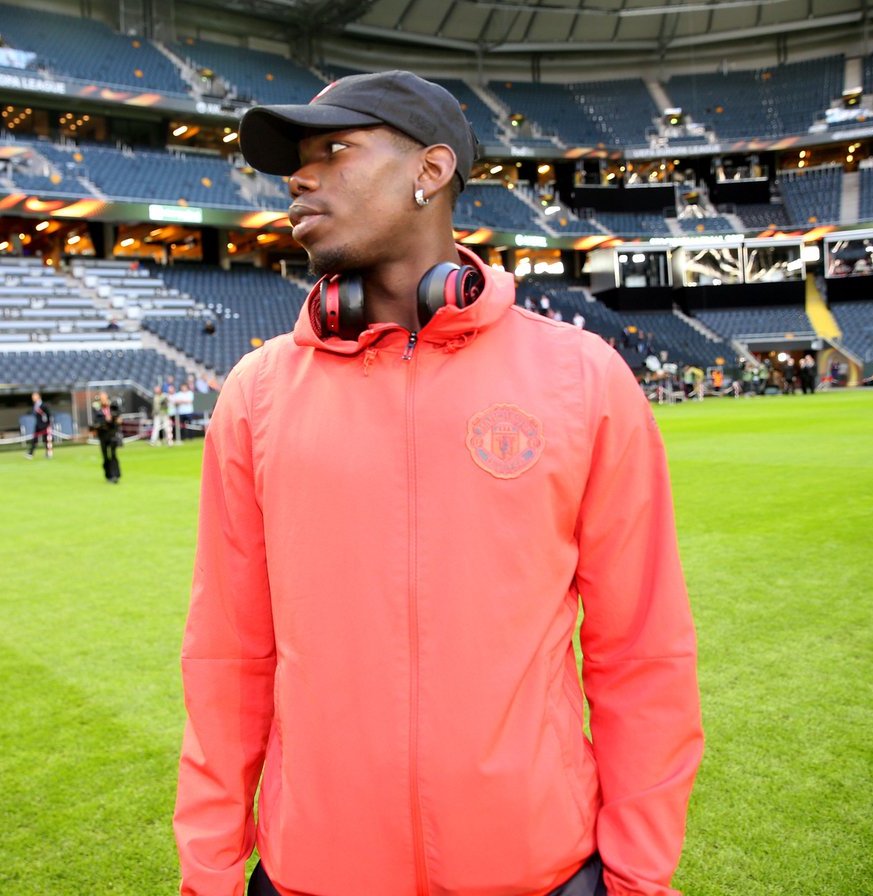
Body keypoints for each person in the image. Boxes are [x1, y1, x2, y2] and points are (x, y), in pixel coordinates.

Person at [174, 71, 703, 896]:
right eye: (297, 161)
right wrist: (207, 876)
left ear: (430, 172)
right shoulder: (258, 395)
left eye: (334, 149)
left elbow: (641, 654)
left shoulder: (583, 380)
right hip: (314, 875)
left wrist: (637, 879)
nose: (300, 178)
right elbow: (226, 661)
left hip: (542, 873)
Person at [90, 390, 121, 483]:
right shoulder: (96, 408)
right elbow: (95, 421)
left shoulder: (113, 407)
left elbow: (118, 418)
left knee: (113, 453)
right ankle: (108, 475)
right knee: (105, 456)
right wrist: (105, 420)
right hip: (102, 434)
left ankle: (116, 475)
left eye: (104, 398)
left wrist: (114, 419)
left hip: (112, 433)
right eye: (101, 398)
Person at [25, 391, 51, 458]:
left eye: (34, 396)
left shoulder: (43, 405)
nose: (33, 397)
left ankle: (48, 453)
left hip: (44, 425)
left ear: (38, 396)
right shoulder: (35, 405)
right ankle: (30, 453)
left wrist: (47, 424)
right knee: (34, 440)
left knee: (46, 440)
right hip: (38, 425)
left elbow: (48, 415)